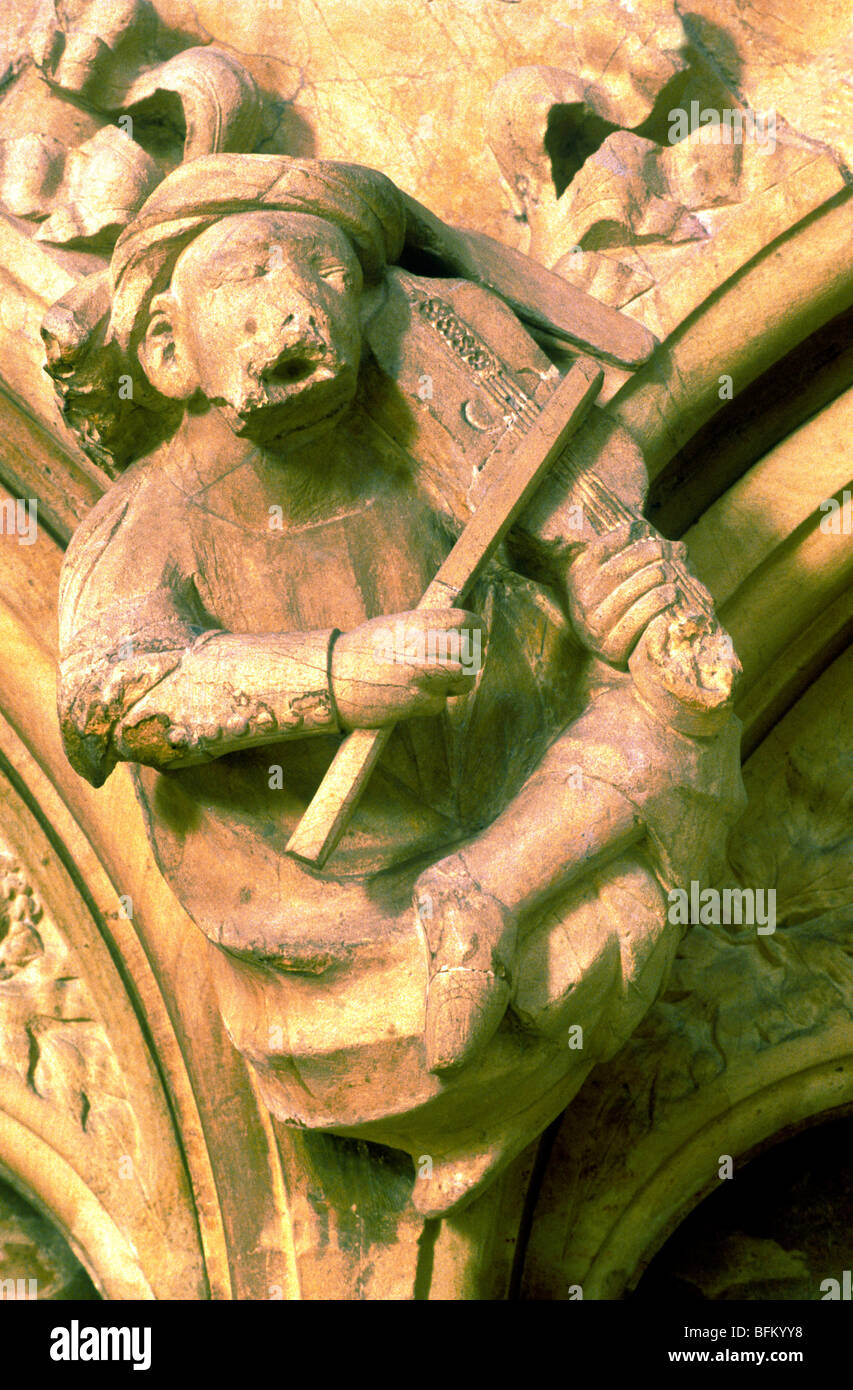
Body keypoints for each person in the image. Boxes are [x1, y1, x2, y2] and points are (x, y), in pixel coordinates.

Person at [50, 154, 744, 1211]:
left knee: (684, 700)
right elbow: (109, 694)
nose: (294, 306)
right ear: (164, 348)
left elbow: (569, 555)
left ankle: (486, 889)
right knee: (566, 959)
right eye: (247, 276)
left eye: (326, 273)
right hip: (329, 948)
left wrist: (615, 611)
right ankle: (476, 939)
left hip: (522, 855)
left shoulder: (421, 442)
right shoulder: (145, 522)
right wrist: (342, 675)